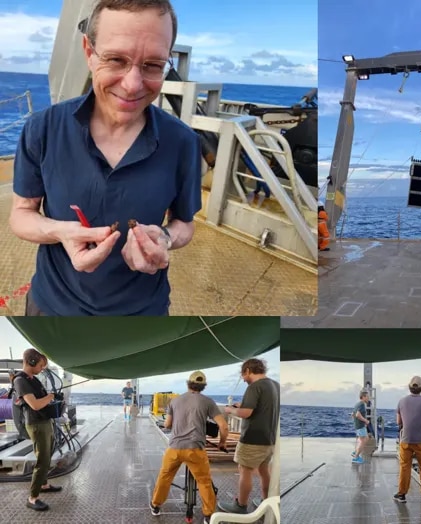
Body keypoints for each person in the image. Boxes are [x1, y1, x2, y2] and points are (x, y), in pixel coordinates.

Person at [9, 0, 202, 316]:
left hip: (144, 313)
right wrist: (61, 231)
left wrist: (165, 238)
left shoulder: (182, 141)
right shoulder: (42, 129)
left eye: (153, 65)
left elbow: (185, 223)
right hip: (52, 306)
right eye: (115, 60)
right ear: (88, 51)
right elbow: (21, 213)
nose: (132, 85)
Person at [150, 371, 228, 524]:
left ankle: (155, 506)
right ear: (203, 386)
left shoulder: (175, 401)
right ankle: (208, 515)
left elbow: (167, 425)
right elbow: (223, 426)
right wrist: (222, 443)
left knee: (165, 477)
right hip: (195, 450)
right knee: (204, 481)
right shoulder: (208, 402)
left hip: (175, 449)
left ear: (188, 383)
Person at [218, 358, 280, 514]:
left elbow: (246, 413)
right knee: (264, 470)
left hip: (253, 439)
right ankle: (266, 502)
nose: (243, 379)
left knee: (245, 470)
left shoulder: (255, 387)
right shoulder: (275, 385)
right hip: (270, 439)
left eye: (243, 375)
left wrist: (230, 410)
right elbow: (263, 407)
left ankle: (240, 505)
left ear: (247, 371)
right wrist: (242, 404)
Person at [12, 348, 63, 511]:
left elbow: (42, 399)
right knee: (42, 461)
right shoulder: (20, 381)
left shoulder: (33, 379)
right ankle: (32, 498)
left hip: (45, 421)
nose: (42, 369)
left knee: (48, 455)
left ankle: (44, 485)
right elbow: (35, 404)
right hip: (36, 424)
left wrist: (51, 397)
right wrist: (50, 397)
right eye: (41, 365)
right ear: (31, 361)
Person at [394, 376, 421, 503]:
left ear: (409, 387)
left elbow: (398, 421)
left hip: (406, 439)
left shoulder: (401, 401)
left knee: (405, 467)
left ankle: (401, 495)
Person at [350, 390, 371, 464]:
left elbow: (352, 414)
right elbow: (357, 415)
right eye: (367, 397)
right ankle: (356, 457)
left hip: (358, 425)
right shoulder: (361, 404)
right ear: (363, 397)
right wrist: (365, 421)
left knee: (365, 438)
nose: (369, 398)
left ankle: (355, 452)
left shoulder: (357, 404)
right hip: (360, 426)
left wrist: (357, 421)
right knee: (363, 440)